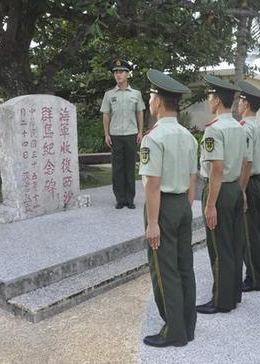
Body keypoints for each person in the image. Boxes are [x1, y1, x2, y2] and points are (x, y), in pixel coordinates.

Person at [140, 69, 198, 347]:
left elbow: (152, 184)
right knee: (185, 266)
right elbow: (192, 176)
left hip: (162, 206)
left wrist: (153, 223)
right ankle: (188, 325)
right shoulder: (188, 136)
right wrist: (184, 207)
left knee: (165, 271)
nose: (149, 101)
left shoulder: (153, 138)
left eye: (151, 96)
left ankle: (174, 331)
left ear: (159, 101)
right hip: (183, 204)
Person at [196, 74, 247, 314]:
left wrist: (210, 205)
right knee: (235, 245)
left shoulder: (214, 130)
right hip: (234, 187)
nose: (208, 101)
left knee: (219, 247)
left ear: (216, 100)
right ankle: (233, 294)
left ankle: (221, 300)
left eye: (209, 96)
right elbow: (243, 161)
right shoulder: (237, 126)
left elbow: (216, 169)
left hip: (220, 190)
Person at [100, 59, 145, 209]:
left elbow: (140, 113)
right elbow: (106, 115)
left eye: (121, 72)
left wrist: (140, 131)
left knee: (130, 167)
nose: (118, 75)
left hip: (132, 134)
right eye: (115, 73)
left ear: (128, 74)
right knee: (117, 168)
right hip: (116, 135)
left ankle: (130, 199)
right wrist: (106, 134)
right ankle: (120, 199)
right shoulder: (109, 94)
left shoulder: (136, 94)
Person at [237, 80, 260, 292]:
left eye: (240, 101)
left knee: (249, 234)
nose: (238, 105)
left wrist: (241, 191)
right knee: (258, 231)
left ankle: (254, 278)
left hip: (248, 182)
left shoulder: (245, 128)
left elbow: (246, 162)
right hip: (259, 180)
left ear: (246, 104)